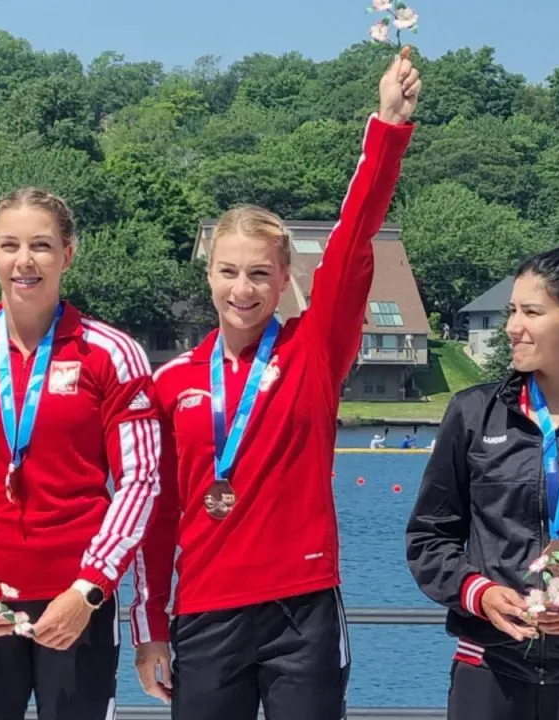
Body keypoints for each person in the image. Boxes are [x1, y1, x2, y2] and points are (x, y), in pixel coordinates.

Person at [130, 48, 420, 719]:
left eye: (260, 273)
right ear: (208, 274)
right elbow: (155, 514)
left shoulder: (313, 350)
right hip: (204, 610)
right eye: (229, 271)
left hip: (302, 608)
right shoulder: (171, 383)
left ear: (285, 275)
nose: (243, 288)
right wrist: (148, 629)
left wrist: (387, 128)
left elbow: (353, 238)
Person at [0, 186, 164, 720]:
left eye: (42, 246)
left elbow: (141, 482)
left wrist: (90, 589)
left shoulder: (114, 354)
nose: (25, 261)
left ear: (67, 254)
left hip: (78, 601)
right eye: (10, 245)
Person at [407, 245, 559, 719]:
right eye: (512, 311)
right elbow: (428, 539)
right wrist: (478, 592)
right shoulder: (473, 413)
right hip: (488, 668)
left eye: (532, 312)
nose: (512, 327)